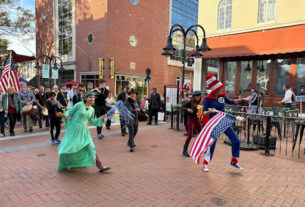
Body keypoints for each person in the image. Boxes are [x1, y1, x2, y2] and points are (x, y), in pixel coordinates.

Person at [200, 74, 248, 172]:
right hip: (214, 123)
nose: (221, 91)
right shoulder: (207, 99)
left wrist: (242, 99)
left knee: (236, 141)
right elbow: (204, 113)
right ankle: (205, 164)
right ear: (215, 90)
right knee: (212, 145)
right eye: (220, 89)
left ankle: (234, 161)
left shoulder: (222, 96)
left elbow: (231, 102)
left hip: (223, 121)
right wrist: (210, 111)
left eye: (221, 89)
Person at [57, 92, 111, 172]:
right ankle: (68, 164)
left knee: (91, 147)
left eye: (93, 97)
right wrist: (66, 115)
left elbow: (92, 121)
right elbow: (69, 111)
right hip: (74, 129)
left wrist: (100, 118)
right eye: (90, 97)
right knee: (71, 147)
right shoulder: (79, 105)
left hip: (84, 131)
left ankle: (100, 166)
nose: (92, 99)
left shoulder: (92, 109)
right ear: (85, 98)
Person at [182, 91, 202, 157]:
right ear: (194, 97)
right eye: (196, 96)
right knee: (190, 135)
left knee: (201, 133)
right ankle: (185, 150)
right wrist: (188, 109)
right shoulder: (190, 102)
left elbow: (201, 110)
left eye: (199, 96)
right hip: (190, 119)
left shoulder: (200, 102)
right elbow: (183, 107)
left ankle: (200, 148)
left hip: (197, 119)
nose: (197, 98)